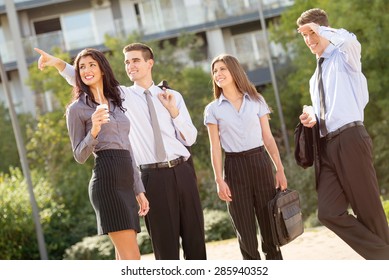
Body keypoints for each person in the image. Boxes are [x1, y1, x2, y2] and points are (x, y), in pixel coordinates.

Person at [35, 43, 207, 260]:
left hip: (183, 170)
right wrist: (58, 63)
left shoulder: (172, 96)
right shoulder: (121, 96)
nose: (130, 66)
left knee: (196, 242)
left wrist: (174, 112)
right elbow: (87, 78)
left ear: (149, 63)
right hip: (151, 176)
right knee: (165, 250)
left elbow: (190, 137)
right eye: (126, 62)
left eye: (135, 60)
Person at [297, 8, 389, 259]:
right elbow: (323, 113)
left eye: (311, 33)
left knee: (368, 209)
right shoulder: (314, 78)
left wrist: (321, 30)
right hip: (327, 146)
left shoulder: (344, 56)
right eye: (304, 35)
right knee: (328, 212)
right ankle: (384, 255)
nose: (308, 40)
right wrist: (311, 118)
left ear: (324, 29)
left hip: (351, 138)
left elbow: (349, 39)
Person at [52, 48, 149, 260]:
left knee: (124, 259)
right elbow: (79, 155)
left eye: (91, 65)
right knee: (133, 258)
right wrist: (94, 130)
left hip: (125, 178)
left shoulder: (116, 101)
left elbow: (127, 148)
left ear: (102, 69)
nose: (87, 70)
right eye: (81, 67)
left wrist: (138, 188)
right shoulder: (77, 109)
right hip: (107, 181)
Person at [203, 54, 287, 260]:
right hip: (234, 167)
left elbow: (267, 138)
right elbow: (215, 147)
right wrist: (219, 179)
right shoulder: (212, 109)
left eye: (222, 69)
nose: (218, 74)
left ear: (234, 71)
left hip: (260, 163)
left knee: (270, 227)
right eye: (215, 71)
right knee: (245, 230)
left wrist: (280, 169)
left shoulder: (256, 100)